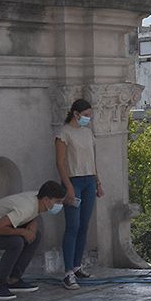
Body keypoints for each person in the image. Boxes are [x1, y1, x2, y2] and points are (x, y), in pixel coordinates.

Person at [0, 181, 66, 300]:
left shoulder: (38, 198)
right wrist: (23, 232)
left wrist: (31, 231)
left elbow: (34, 215)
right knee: (16, 242)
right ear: (46, 200)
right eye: (57, 201)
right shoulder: (26, 208)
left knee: (34, 236)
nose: (60, 205)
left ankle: (14, 280)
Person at [55, 98, 103, 290]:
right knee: (72, 226)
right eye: (85, 115)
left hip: (89, 180)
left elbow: (92, 159)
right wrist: (68, 187)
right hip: (73, 181)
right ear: (75, 114)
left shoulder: (87, 132)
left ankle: (77, 266)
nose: (88, 119)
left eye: (90, 115)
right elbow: (60, 162)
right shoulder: (64, 133)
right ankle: (67, 273)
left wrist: (98, 182)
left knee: (84, 226)